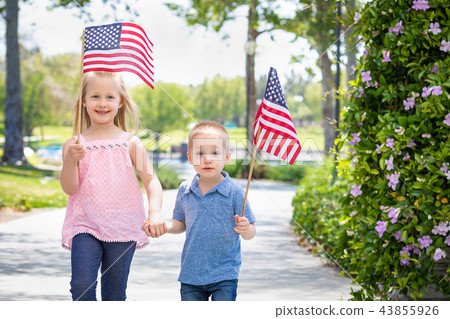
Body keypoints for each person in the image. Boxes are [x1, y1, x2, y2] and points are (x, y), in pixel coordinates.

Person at [60, 71, 163, 301]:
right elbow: (69, 188)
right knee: (82, 285)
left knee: (114, 294)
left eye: (109, 97)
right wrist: (70, 160)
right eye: (95, 96)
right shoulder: (74, 144)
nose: (102, 103)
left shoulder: (130, 143)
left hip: (123, 226)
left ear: (120, 102)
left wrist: (154, 213)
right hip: (84, 225)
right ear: (84, 101)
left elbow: (152, 181)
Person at [146, 121, 256, 301]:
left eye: (215, 153)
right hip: (192, 272)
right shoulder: (185, 189)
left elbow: (251, 232)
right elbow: (181, 223)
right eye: (200, 153)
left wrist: (246, 229)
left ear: (227, 157)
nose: (207, 159)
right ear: (189, 157)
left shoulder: (235, 193)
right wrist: (164, 225)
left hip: (225, 273)